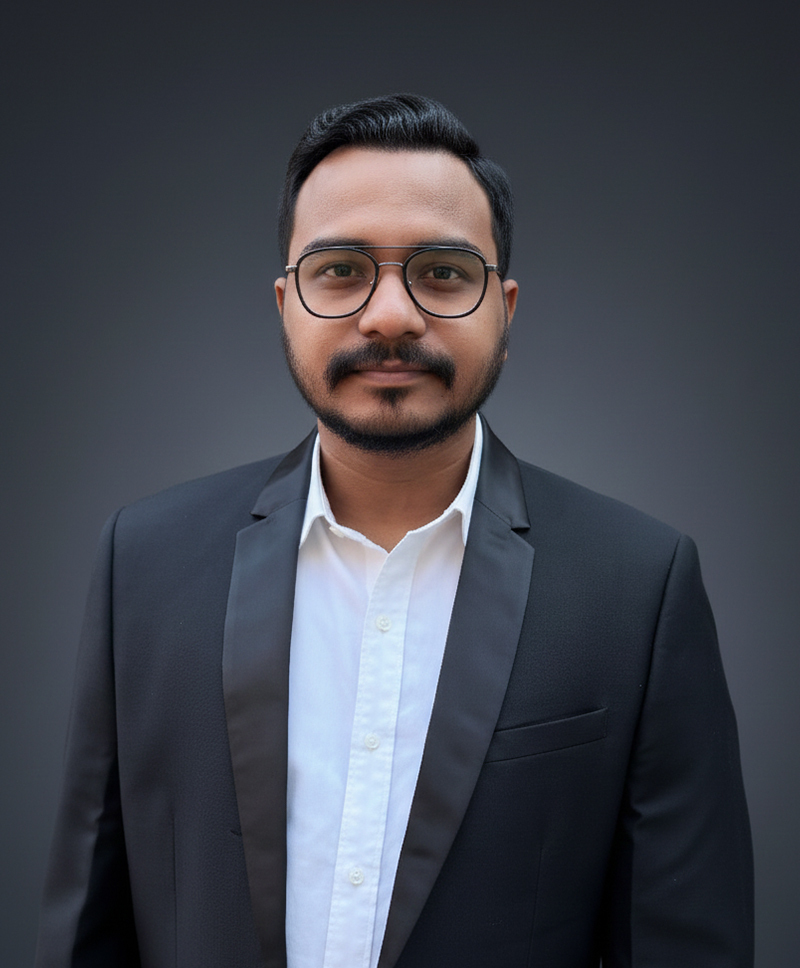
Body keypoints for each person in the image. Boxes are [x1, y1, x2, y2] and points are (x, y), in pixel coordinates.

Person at [35, 94, 753, 968]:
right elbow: (85, 936)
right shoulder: (143, 566)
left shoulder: (638, 587)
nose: (389, 316)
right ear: (285, 302)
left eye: (443, 272)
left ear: (507, 306)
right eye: (339, 269)